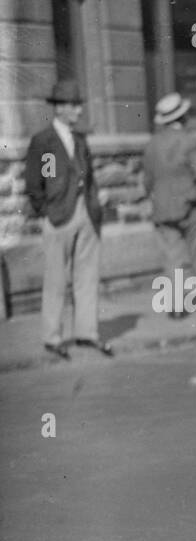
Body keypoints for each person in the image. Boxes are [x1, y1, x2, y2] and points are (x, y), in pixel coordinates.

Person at [23, 78, 111, 359]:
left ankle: (87, 333)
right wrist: (45, 210)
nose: (78, 111)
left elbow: (91, 177)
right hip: (59, 216)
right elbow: (35, 183)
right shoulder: (44, 141)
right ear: (60, 109)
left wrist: (95, 204)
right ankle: (52, 337)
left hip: (86, 213)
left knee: (87, 276)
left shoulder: (80, 140)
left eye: (78, 106)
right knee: (56, 279)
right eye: (73, 106)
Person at [141, 92, 196, 319]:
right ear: (183, 117)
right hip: (192, 205)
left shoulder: (152, 144)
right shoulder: (191, 141)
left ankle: (177, 306)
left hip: (163, 208)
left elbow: (147, 180)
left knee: (172, 257)